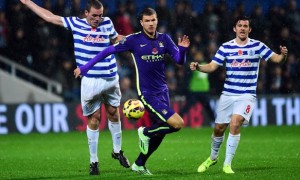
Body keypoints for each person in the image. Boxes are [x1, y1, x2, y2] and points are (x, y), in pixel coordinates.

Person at [74, 8, 190, 175]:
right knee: (177, 124)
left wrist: (183, 49)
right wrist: (85, 67)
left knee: (161, 132)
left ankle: (139, 164)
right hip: (147, 93)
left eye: (153, 20)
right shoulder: (133, 40)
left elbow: (179, 61)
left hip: (163, 92)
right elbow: (108, 50)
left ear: (157, 21)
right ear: (141, 23)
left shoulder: (165, 39)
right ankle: (145, 132)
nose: (151, 23)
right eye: (147, 21)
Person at [19, 0, 130, 175]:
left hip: (110, 77)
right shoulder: (76, 24)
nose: (97, 19)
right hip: (90, 80)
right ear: (86, 13)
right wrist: (29, 3)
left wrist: (135, 39)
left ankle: (117, 151)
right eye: (94, 15)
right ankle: (94, 162)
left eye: (100, 15)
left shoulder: (107, 23)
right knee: (94, 118)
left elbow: (116, 38)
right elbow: (50, 17)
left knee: (113, 112)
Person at [190, 16, 288, 174]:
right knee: (219, 129)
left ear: (250, 29)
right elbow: (212, 66)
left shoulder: (257, 46)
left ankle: (227, 164)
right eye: (240, 25)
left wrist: (283, 55)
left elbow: (276, 59)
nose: (242, 28)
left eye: (245, 26)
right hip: (228, 94)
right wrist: (199, 67)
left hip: (246, 95)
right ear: (234, 29)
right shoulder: (226, 47)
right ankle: (213, 158)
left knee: (235, 123)